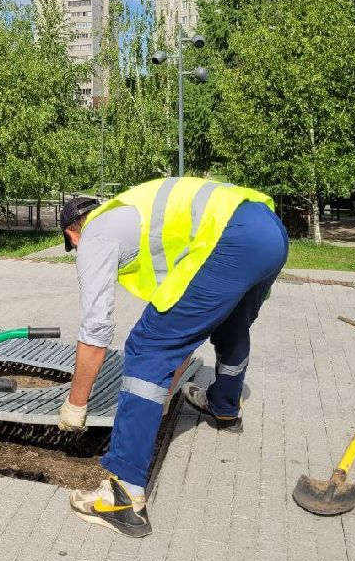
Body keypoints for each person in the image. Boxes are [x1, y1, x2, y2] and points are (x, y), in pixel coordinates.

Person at [57, 177, 288, 539]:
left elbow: (95, 332)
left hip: (233, 238)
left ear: (73, 234)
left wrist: (76, 404)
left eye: (72, 244)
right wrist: (162, 394)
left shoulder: (96, 235)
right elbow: (186, 330)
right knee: (231, 324)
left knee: (147, 347)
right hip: (270, 230)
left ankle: (124, 495)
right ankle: (225, 407)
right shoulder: (135, 214)